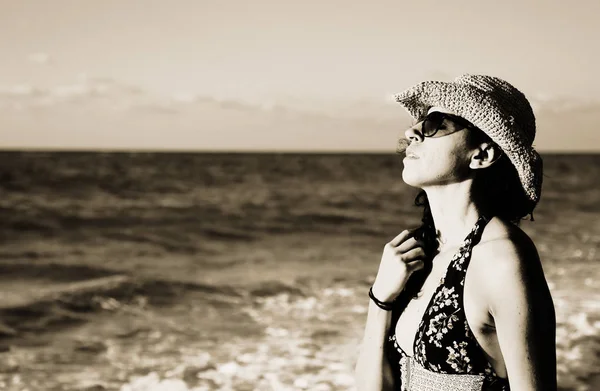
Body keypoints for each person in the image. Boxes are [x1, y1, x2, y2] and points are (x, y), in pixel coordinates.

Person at [354, 74, 557, 391]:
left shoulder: (502, 257)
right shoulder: (423, 250)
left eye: (436, 123)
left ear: (481, 155)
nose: (412, 132)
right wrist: (380, 299)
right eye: (421, 122)